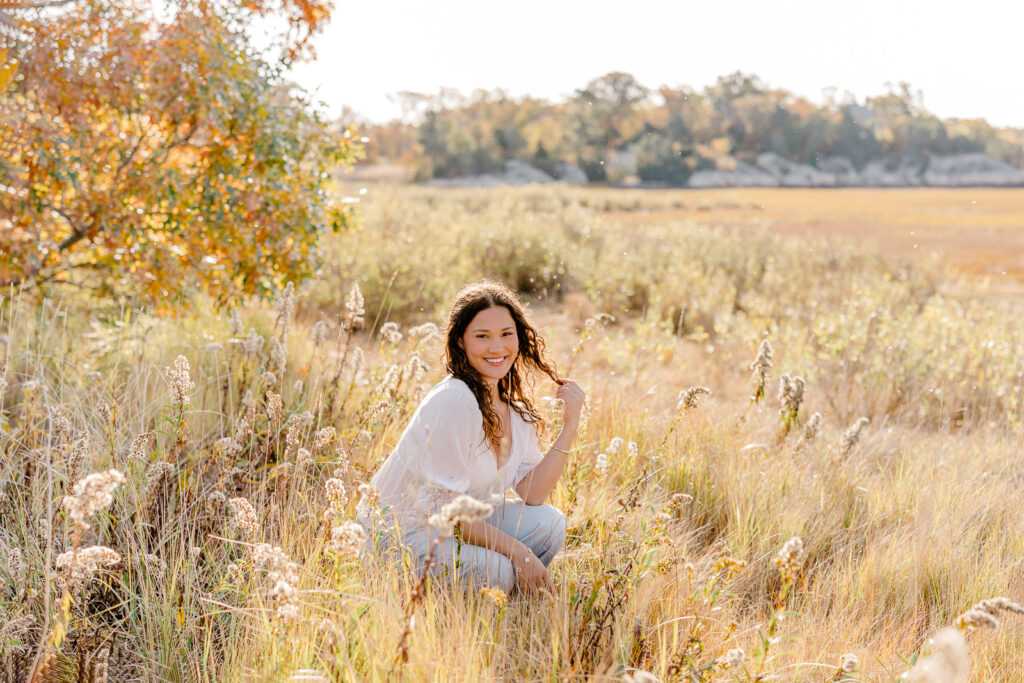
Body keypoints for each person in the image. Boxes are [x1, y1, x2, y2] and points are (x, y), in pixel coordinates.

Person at [357, 280, 585, 594]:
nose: (497, 348)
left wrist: (570, 426)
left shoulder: (514, 411)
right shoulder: (454, 401)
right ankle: (463, 606)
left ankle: (511, 605)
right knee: (499, 569)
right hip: (402, 534)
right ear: (461, 342)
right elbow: (449, 515)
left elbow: (533, 495)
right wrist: (519, 552)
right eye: (482, 336)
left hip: (452, 531)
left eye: (506, 334)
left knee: (549, 524)